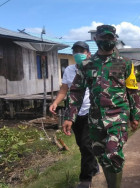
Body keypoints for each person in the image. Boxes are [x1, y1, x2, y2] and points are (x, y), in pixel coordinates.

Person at [62, 25, 140, 188]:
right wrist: (70, 116)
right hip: (96, 119)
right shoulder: (86, 65)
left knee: (113, 154)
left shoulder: (125, 63)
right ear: (96, 39)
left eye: (110, 38)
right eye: (103, 38)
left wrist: (135, 115)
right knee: (101, 155)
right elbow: (76, 91)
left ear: (115, 39)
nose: (107, 41)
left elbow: (132, 91)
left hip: (118, 117)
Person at [49, 41, 99, 188]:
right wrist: (55, 103)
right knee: (82, 144)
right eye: (75, 51)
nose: (78, 54)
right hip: (73, 112)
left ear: (88, 54)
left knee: (86, 145)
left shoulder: (93, 69)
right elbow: (64, 90)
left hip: (90, 111)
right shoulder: (69, 70)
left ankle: (86, 180)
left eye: (81, 51)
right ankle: (94, 167)